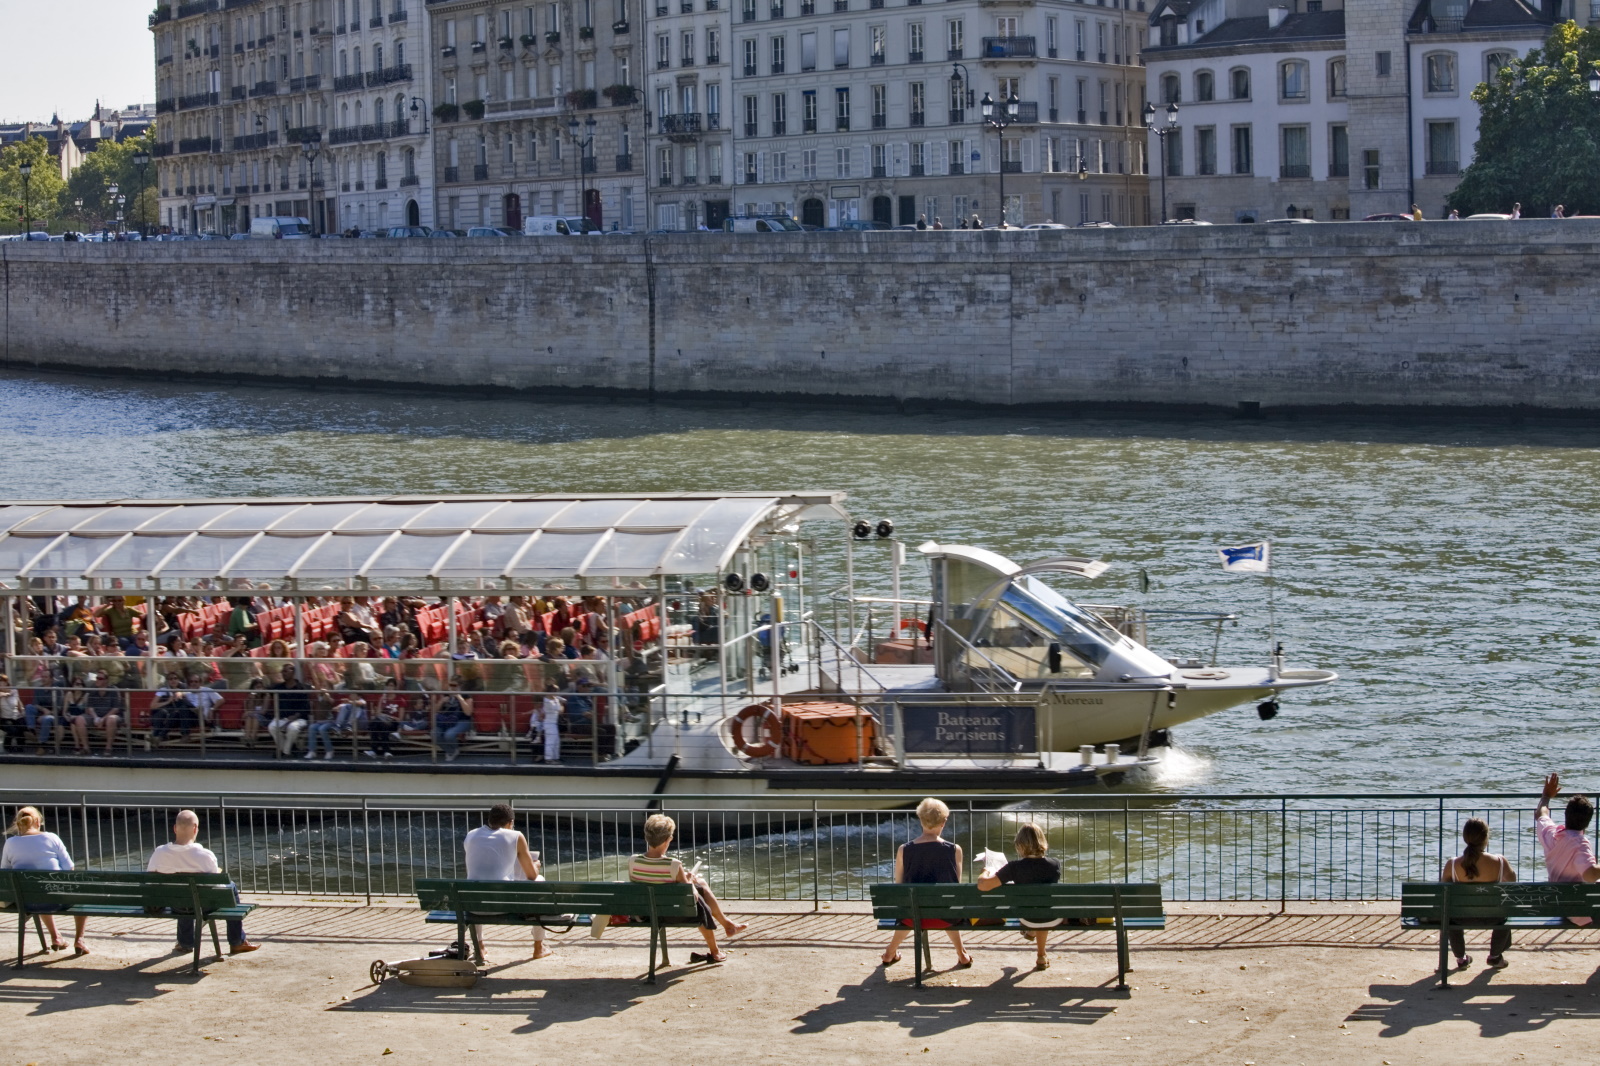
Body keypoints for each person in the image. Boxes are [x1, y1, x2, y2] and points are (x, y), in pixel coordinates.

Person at [630, 814, 746, 963]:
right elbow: (691, 897)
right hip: (673, 914)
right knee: (700, 898)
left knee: (700, 886)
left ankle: (727, 926)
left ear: (647, 837)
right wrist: (689, 880)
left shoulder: (633, 861)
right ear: (668, 840)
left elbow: (644, 882)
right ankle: (716, 948)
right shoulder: (674, 865)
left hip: (646, 914)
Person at [147, 810, 259, 955]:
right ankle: (237, 941)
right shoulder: (205, 855)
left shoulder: (159, 853)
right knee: (230, 886)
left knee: (182, 893)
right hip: (202, 907)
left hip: (176, 906)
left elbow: (150, 882)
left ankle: (185, 943)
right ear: (195, 829)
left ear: (175, 828)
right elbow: (218, 888)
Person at [880, 797, 973, 969]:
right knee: (945, 904)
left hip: (911, 918)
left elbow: (899, 886)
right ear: (944, 822)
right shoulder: (954, 850)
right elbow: (955, 887)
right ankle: (962, 954)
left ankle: (889, 952)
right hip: (946, 917)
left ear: (920, 820)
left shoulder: (904, 850)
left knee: (912, 907)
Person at [462, 803, 551, 960]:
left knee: (478, 884)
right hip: (504, 905)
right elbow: (531, 875)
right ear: (511, 822)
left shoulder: (471, 835)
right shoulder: (516, 836)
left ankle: (480, 947)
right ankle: (539, 947)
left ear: (489, 820)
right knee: (540, 880)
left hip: (473, 906)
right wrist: (536, 865)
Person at [1, 806, 88, 955]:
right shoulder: (51, 838)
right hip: (56, 899)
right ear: (37, 822)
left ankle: (56, 937)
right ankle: (79, 940)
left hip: (26, 902)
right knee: (82, 895)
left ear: (19, 823)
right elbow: (69, 868)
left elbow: (5, 872)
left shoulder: (10, 843)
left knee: (37, 892)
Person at [977, 822, 1061, 969]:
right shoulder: (1055, 864)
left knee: (1032, 909)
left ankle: (1031, 929)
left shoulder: (1014, 867)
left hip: (1025, 916)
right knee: (1042, 906)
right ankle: (1041, 955)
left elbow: (983, 885)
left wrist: (986, 871)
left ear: (1020, 844)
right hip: (1052, 916)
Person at [1439, 817, 1514, 970]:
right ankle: (1495, 956)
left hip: (1461, 917)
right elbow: (1512, 883)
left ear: (1465, 838)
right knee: (1507, 912)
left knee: (1450, 916)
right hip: (1494, 917)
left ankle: (1460, 958)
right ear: (1486, 838)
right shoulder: (1499, 861)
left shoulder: (1452, 864)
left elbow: (1443, 891)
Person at [1535, 773, 1600, 926]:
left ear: (1566, 815)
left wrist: (1546, 796)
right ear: (1587, 823)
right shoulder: (1580, 844)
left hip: (1559, 903)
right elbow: (1590, 875)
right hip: (1579, 910)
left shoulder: (1551, 834)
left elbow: (1541, 813)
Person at [69, 673, 123, 756]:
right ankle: (86, 748)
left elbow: (115, 709)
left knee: (111, 719)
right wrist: (96, 718)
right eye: (96, 678)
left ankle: (108, 748)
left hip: (110, 716)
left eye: (100, 678)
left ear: (106, 680)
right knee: (79, 719)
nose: (97, 680)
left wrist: (103, 719)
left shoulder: (113, 690)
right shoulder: (93, 690)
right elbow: (90, 708)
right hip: (95, 716)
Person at [267, 664, 313, 756]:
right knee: (272, 727)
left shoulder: (302, 688)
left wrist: (295, 716)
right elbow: (265, 690)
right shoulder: (278, 687)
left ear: (293, 672)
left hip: (299, 718)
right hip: (282, 717)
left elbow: (306, 707)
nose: (283, 673)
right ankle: (288, 749)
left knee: (292, 728)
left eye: (285, 671)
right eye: (282, 671)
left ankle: (284, 752)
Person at [432, 689, 473, 762]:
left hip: (462, 721)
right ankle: (452, 751)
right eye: (450, 685)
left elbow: (468, 713)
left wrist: (460, 698)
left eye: (455, 686)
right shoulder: (445, 694)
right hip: (445, 720)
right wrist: (441, 702)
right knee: (434, 734)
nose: (452, 688)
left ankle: (452, 752)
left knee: (449, 735)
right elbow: (434, 711)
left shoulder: (466, 695)